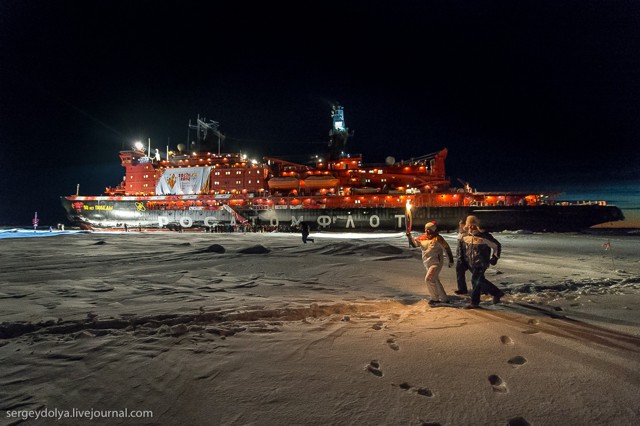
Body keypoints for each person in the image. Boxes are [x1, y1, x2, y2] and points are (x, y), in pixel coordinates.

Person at [458, 215, 505, 309]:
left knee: (475, 280)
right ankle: (497, 293)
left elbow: (496, 246)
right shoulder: (466, 236)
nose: (471, 228)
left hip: (481, 263)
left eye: (473, 226)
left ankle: (474, 302)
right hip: (471, 263)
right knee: (480, 280)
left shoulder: (484, 237)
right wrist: (462, 259)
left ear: (477, 226)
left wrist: (495, 257)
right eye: (469, 226)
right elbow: (462, 249)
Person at [406, 221, 454, 306]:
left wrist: (450, 260)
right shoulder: (422, 238)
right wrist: (410, 237)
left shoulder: (438, 238)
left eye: (429, 229)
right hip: (427, 263)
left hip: (436, 263)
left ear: (433, 229)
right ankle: (444, 298)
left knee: (428, 279)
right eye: (426, 229)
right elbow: (414, 244)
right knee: (435, 279)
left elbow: (447, 249)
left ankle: (435, 299)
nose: (426, 230)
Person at [454, 220, 470, 295]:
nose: (460, 227)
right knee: (459, 273)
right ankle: (462, 289)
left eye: (462, 225)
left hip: (466, 257)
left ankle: (484, 288)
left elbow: (464, 248)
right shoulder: (460, 234)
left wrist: (462, 257)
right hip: (460, 257)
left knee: (476, 275)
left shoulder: (467, 234)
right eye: (460, 225)